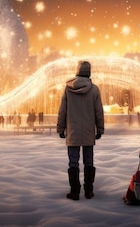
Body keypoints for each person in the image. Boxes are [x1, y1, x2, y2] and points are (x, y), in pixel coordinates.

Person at [57, 61, 105, 200]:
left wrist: (61, 128)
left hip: (73, 132)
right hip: (89, 132)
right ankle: (89, 191)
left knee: (73, 162)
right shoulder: (94, 89)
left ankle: (75, 191)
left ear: (77, 71)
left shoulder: (68, 89)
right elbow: (98, 111)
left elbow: (63, 111)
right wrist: (100, 129)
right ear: (89, 72)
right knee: (89, 161)